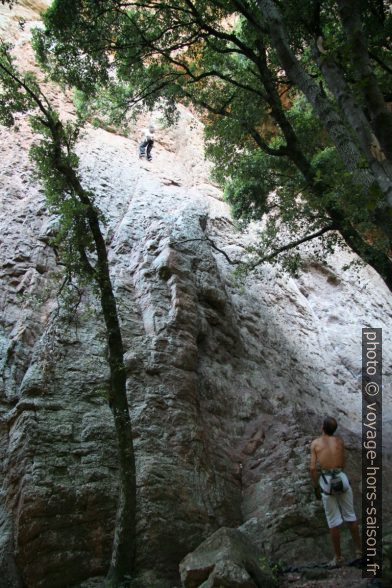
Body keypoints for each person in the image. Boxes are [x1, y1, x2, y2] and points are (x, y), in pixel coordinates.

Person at [310, 416, 362, 567]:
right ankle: (360, 551)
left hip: (327, 481)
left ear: (322, 427)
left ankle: (338, 558)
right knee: (351, 516)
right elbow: (343, 461)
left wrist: (316, 486)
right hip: (342, 477)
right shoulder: (339, 441)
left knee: (333, 522)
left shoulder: (315, 443)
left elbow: (312, 468)